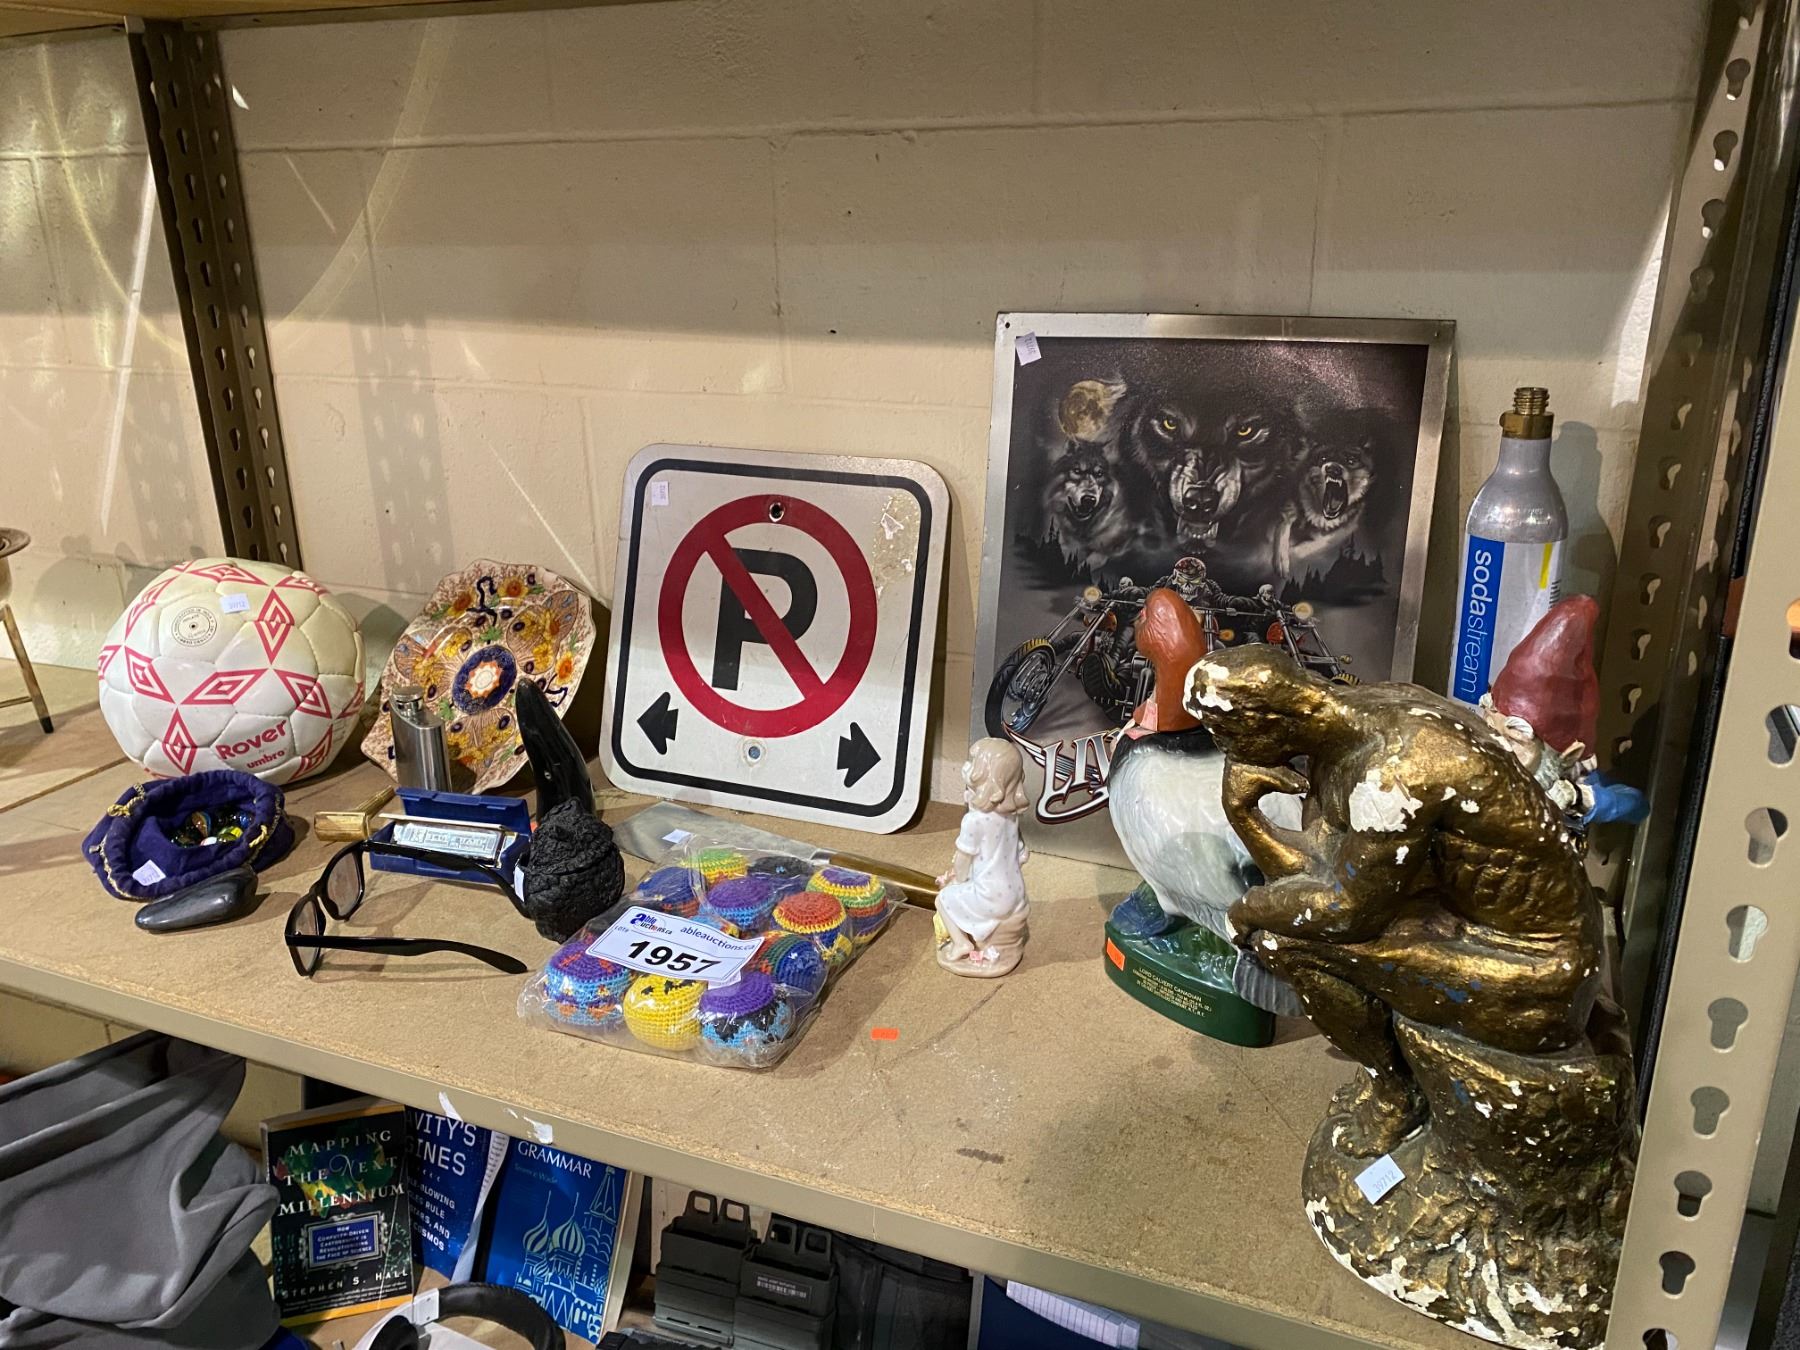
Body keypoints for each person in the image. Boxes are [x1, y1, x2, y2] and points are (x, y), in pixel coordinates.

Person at [934, 738, 1032, 978]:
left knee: (943, 899)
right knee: (964, 892)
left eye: (971, 763)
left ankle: (961, 944)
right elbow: (1022, 854)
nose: (966, 767)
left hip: (991, 895)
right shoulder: (1010, 817)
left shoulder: (975, 821)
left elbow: (963, 860)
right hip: (1016, 893)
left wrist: (957, 879)